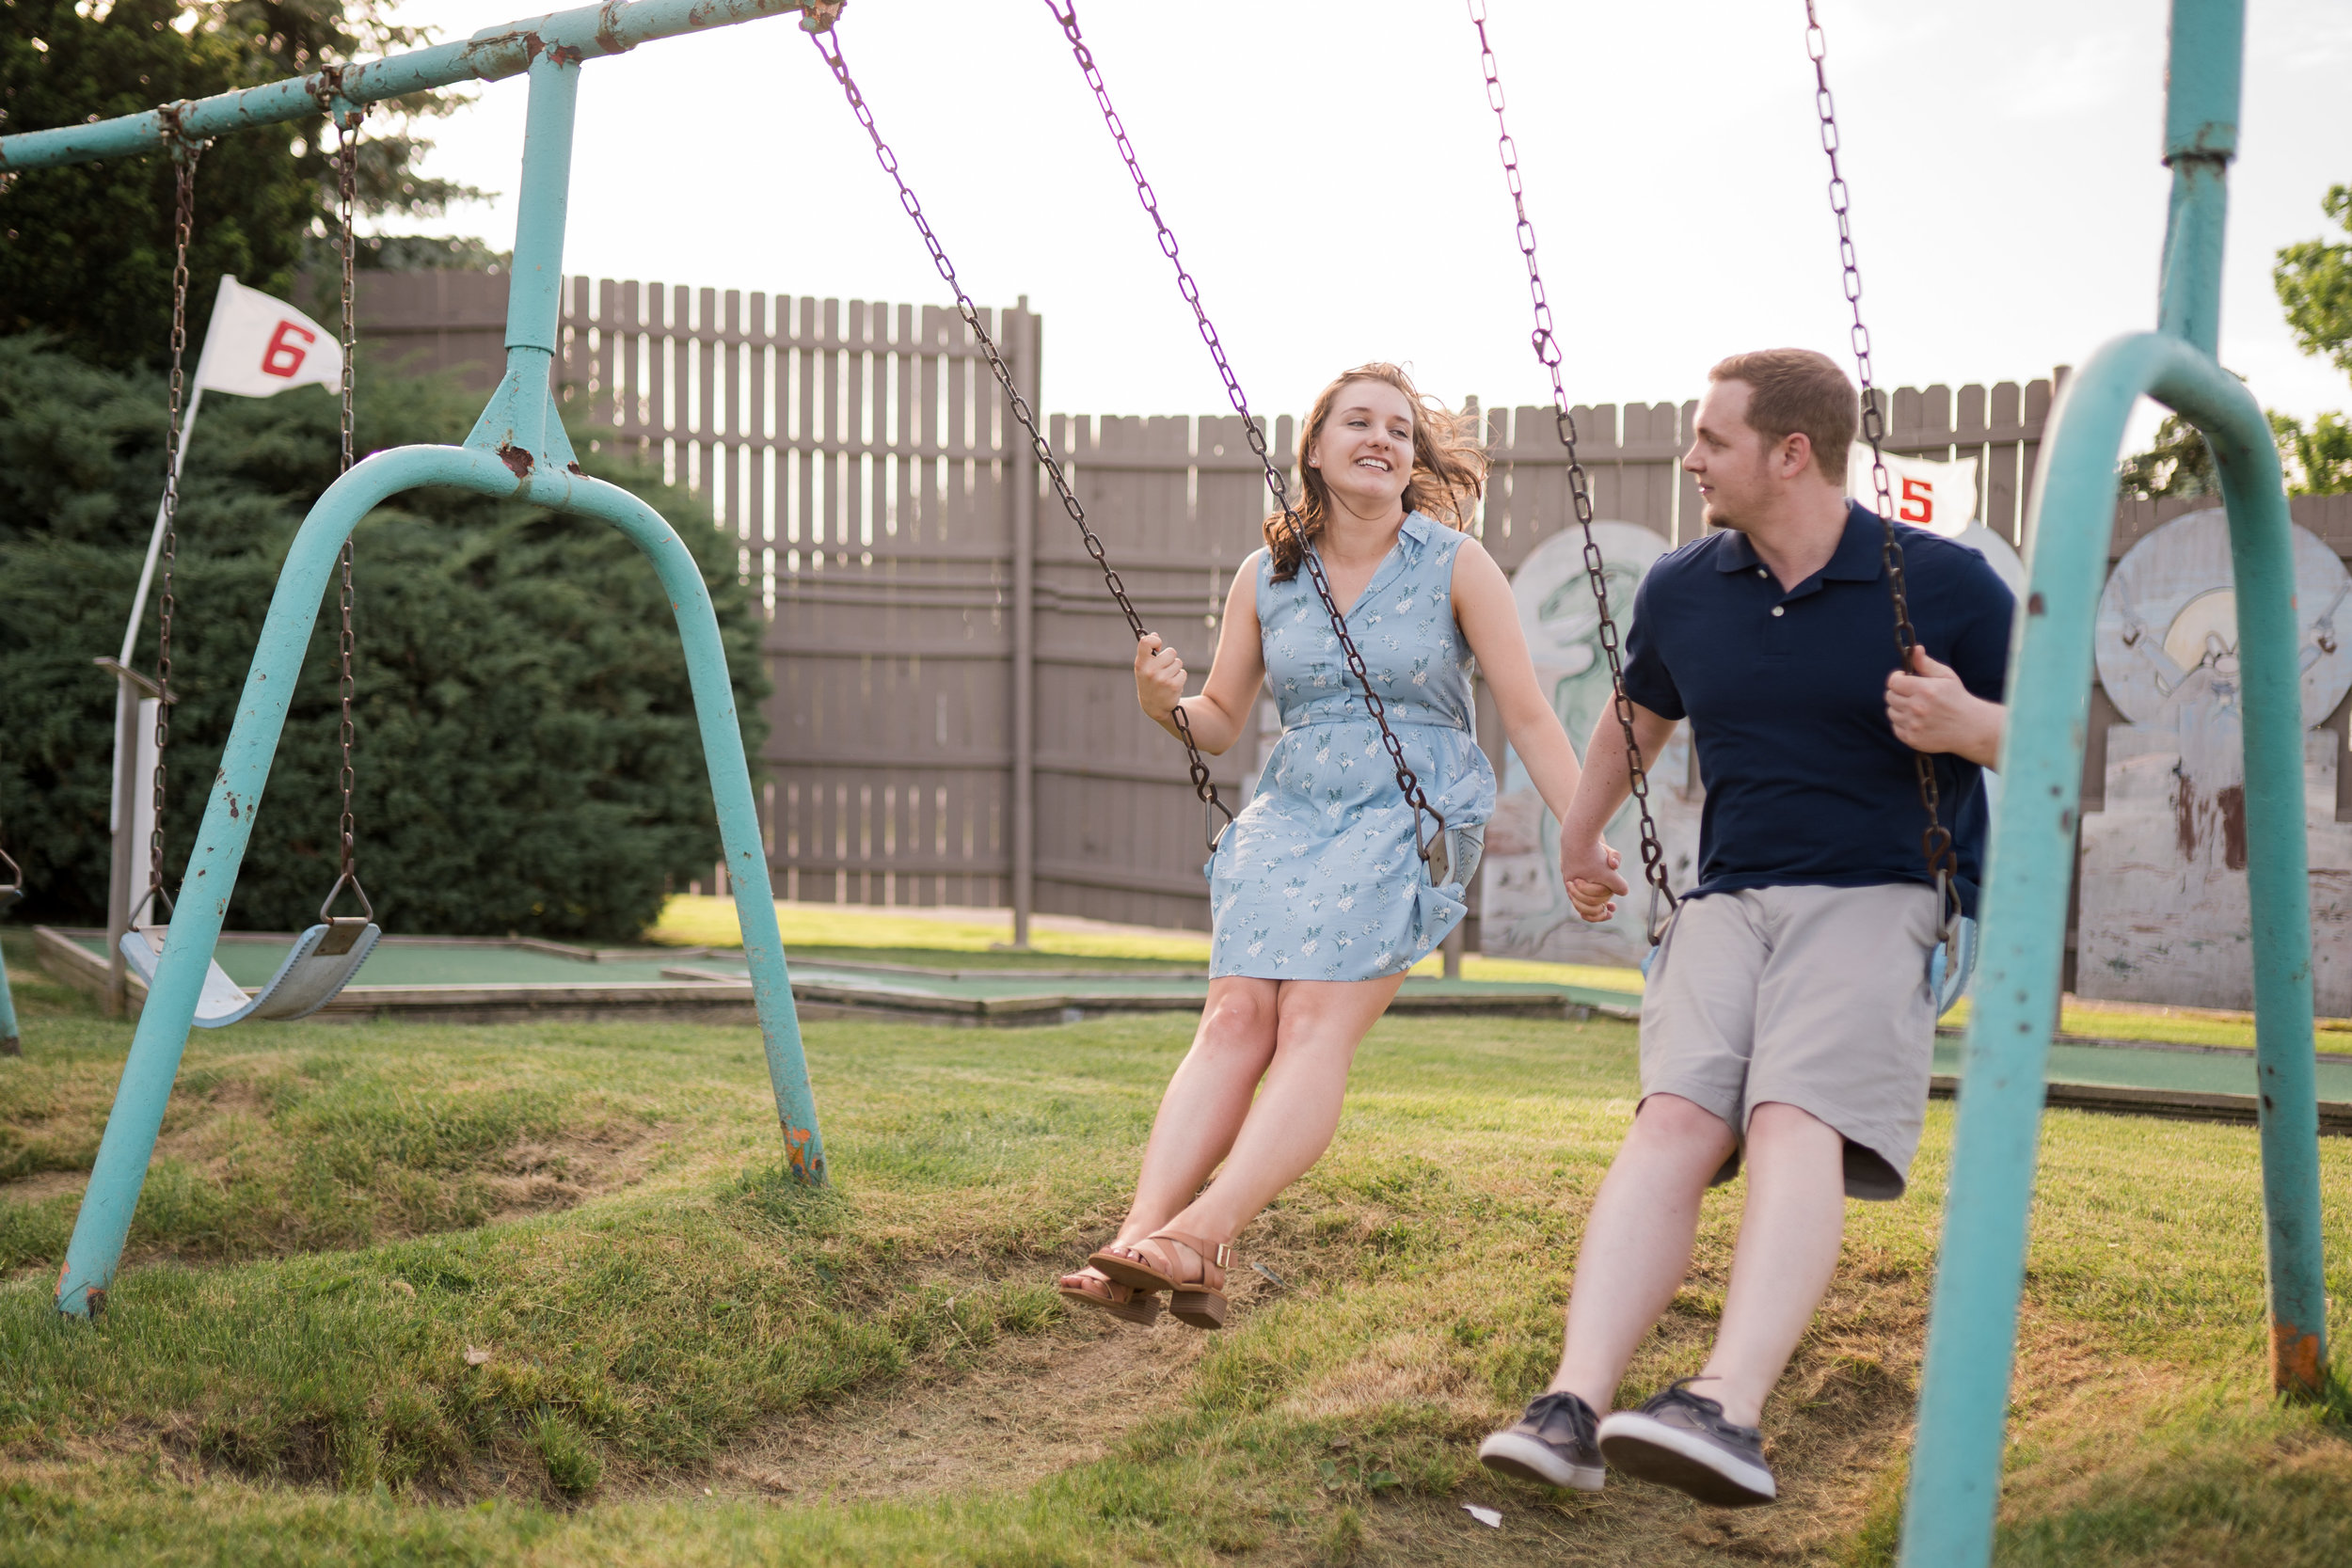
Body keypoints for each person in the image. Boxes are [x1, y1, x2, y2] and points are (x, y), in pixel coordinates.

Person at [1476, 349, 2013, 1507]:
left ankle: (1727, 1404)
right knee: (1673, 1115)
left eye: (1710, 439)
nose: (1690, 459)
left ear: (1791, 452)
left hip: (1884, 888)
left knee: (1788, 1115)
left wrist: (1969, 721)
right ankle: (1571, 1403)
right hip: (1729, 893)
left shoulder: (1946, 586)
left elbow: (2051, 740)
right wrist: (1580, 831)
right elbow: (1639, 715)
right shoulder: (1684, 585)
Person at [1057, 363, 1591, 1329]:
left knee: (1310, 1022)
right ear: (1314, 447)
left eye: (1398, 427)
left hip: (1405, 811)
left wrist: (1579, 832)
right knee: (1230, 1018)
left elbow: (1528, 715)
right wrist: (1158, 702)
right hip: (1293, 809)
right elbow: (1218, 718)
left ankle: (1202, 1230)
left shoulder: (1454, 563)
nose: (1380, 437)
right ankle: (1141, 1237)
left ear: (1414, 459)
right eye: (1357, 421)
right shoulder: (1266, 575)